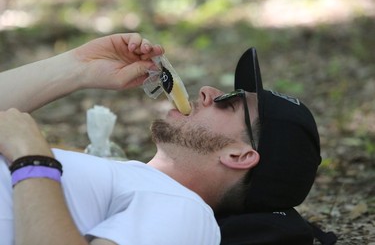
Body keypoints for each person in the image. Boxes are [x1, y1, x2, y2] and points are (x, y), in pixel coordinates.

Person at [0, 33, 322, 245]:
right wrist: (79, 68)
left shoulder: (186, 211)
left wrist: (32, 159)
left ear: (239, 155)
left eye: (231, 101)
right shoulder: (134, 178)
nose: (208, 91)